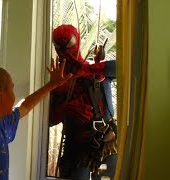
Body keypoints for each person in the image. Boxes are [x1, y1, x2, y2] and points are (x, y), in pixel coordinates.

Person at [49, 24, 117, 179]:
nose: (66, 51)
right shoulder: (58, 79)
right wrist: (68, 108)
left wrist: (93, 68)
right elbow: (48, 119)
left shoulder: (95, 70)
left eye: (70, 45)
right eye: (60, 46)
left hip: (107, 137)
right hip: (78, 145)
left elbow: (123, 68)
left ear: (77, 41)